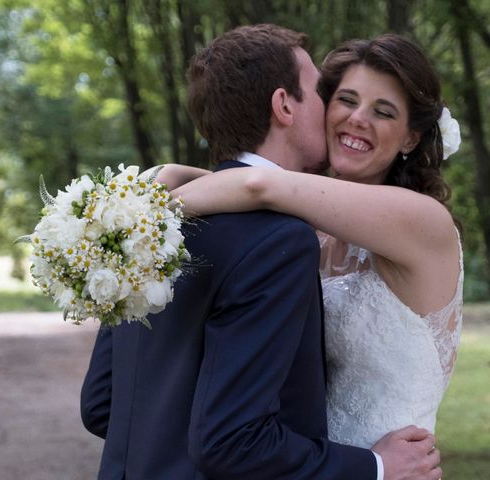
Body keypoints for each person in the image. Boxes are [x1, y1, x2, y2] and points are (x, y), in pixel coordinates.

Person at [81, 25, 442, 479]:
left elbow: (102, 406)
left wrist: (149, 198)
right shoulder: (280, 240)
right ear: (283, 105)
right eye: (325, 94)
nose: (339, 114)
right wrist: (374, 468)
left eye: (383, 110)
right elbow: (229, 438)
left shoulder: (149, 229)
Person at [167, 32, 462, 464]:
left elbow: (257, 182)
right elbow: (266, 185)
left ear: (410, 140)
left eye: (383, 112)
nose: (358, 119)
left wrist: (141, 214)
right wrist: (173, 172)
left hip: (393, 468)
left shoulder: (425, 222)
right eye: (346, 100)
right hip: (310, 465)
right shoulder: (307, 228)